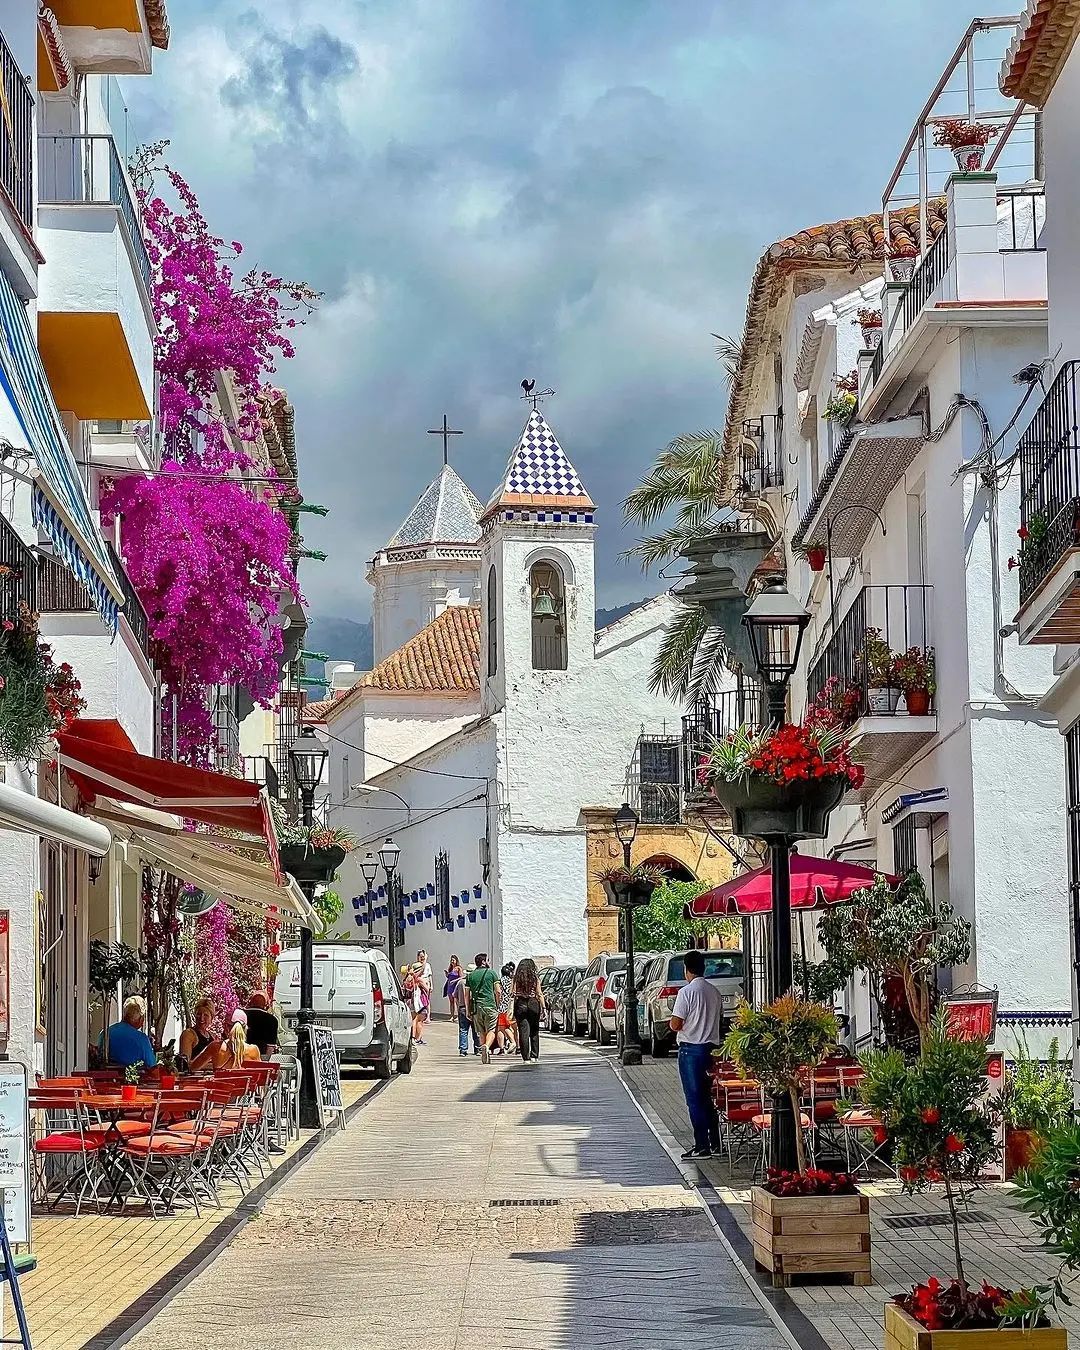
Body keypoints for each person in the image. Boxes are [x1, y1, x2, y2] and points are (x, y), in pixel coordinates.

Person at [669, 949, 724, 1160]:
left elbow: (676, 1024)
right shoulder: (714, 992)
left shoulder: (686, 992)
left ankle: (701, 1145)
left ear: (686, 969)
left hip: (691, 1050)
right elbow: (720, 1019)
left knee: (695, 1099)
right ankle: (715, 1142)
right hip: (711, 1049)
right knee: (710, 1098)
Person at [464, 952, 499, 1064]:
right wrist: (498, 1004)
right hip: (490, 1005)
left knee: (481, 1031)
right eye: (487, 960)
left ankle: (484, 1053)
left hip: (476, 1007)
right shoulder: (492, 973)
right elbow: (498, 991)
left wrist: (468, 1010)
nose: (489, 962)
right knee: (491, 1030)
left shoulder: (470, 976)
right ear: (483, 962)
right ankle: (486, 1047)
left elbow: (467, 995)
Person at [106, 995, 158, 1069]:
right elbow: (153, 1069)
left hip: (107, 1075)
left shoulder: (105, 1034)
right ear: (140, 1018)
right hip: (136, 1075)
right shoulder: (142, 1039)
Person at [511, 959, 545, 1063]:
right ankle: (534, 1055)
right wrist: (543, 1007)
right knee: (534, 1030)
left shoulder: (516, 978)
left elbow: (512, 993)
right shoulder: (535, 978)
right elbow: (539, 993)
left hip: (520, 1004)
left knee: (523, 1031)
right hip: (533, 1003)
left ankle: (526, 1057)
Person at [178, 998, 218, 1070]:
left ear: (211, 1018)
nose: (201, 1018)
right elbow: (185, 1064)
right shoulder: (189, 1034)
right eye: (199, 1014)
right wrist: (213, 1065)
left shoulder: (213, 1036)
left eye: (206, 1015)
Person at [244, 990, 279, 1056]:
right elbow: (270, 1046)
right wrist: (266, 1060)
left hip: (242, 1055)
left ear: (251, 1002)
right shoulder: (272, 1020)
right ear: (266, 1005)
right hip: (261, 1056)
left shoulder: (242, 1015)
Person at [494, 961, 517, 1055]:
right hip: (511, 1007)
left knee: (501, 1028)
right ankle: (512, 1044)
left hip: (502, 1007)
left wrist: (498, 1004)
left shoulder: (500, 981)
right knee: (509, 1026)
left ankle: (509, 1044)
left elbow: (498, 993)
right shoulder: (512, 982)